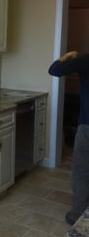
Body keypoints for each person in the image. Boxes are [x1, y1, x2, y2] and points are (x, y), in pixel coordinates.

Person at [48, 50, 89, 225]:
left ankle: (78, 214)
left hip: (87, 125)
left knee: (81, 171)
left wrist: (66, 56)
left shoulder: (85, 60)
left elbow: (54, 69)